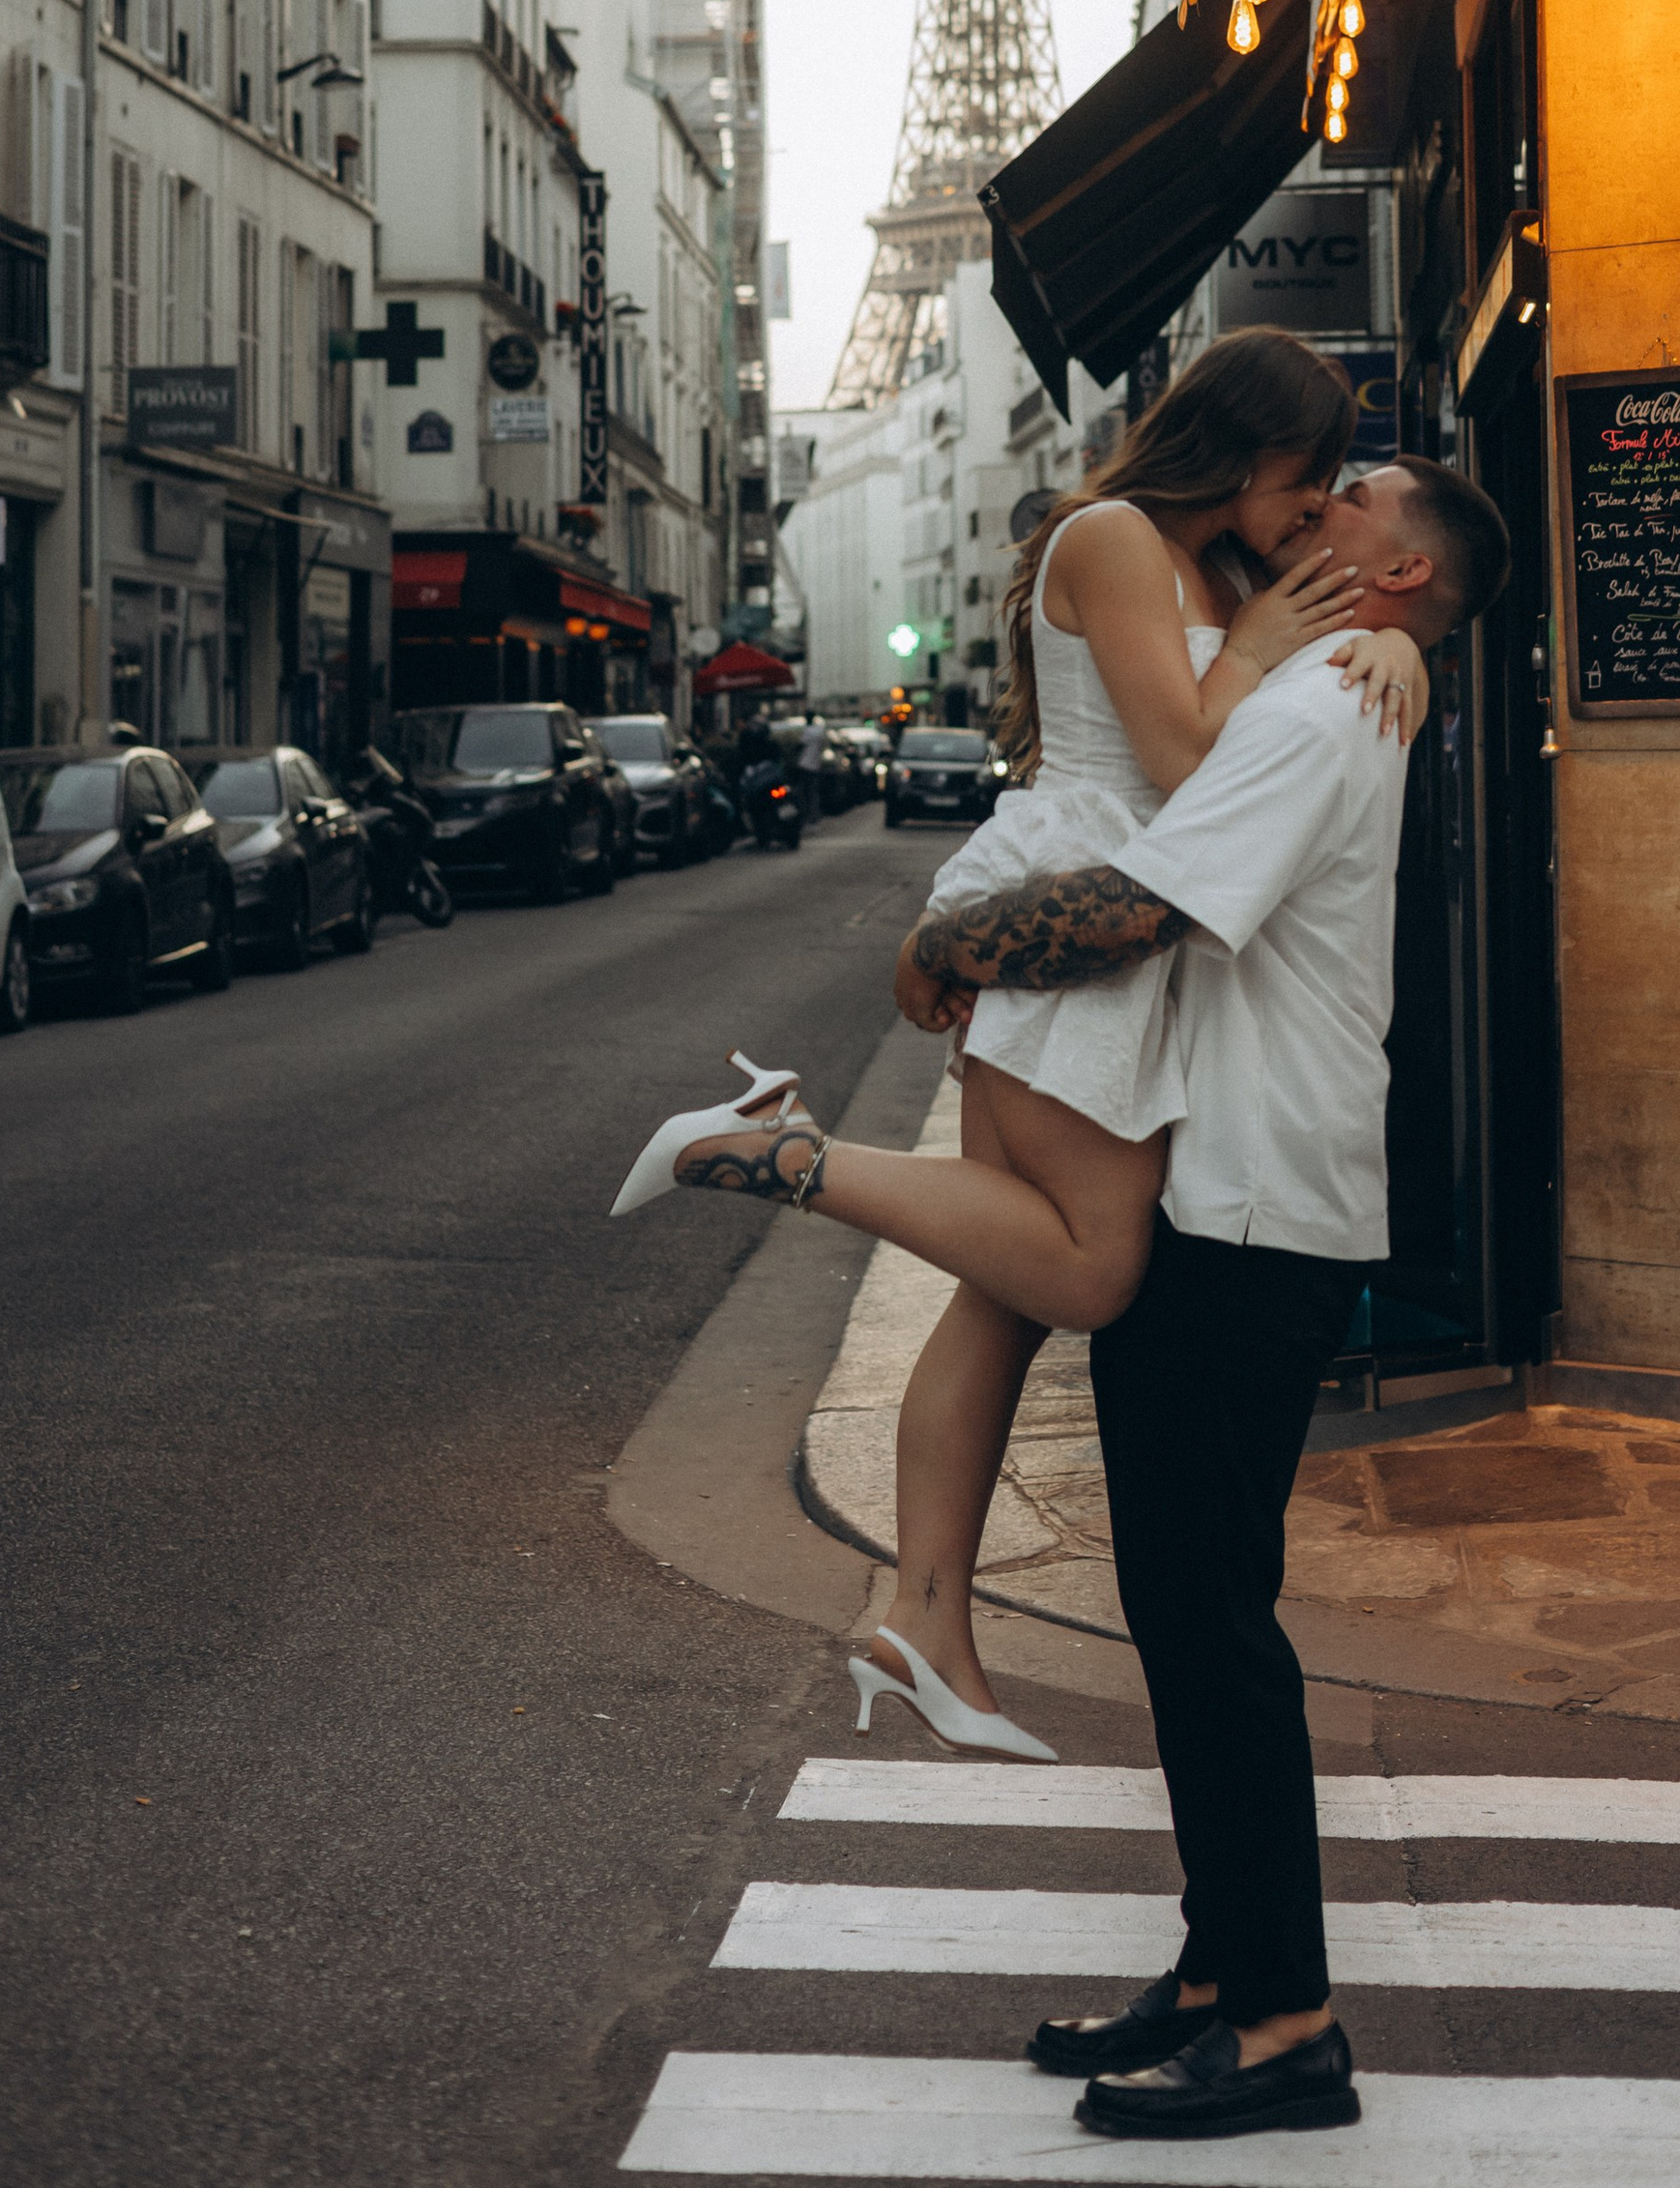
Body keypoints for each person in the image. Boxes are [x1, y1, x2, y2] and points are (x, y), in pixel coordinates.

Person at [607, 331, 1429, 1761]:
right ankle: (782, 1153)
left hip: (1130, 922)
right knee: (1094, 1267)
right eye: (1309, 474)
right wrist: (1259, 645)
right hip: (1083, 909)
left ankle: (926, 1626)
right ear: (1241, 447)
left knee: (1000, 1297)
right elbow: (1186, 760)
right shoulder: (1113, 537)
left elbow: (1325, 661)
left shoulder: (1222, 565)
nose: (1316, 505)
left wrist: (1397, 641)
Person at [890, 452, 1507, 2144]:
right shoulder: (1337, 678)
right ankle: (1224, 1966)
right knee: (1188, 1605)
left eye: (1358, 492)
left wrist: (950, 943)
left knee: (1210, 1620)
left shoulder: (1321, 709)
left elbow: (1143, 909)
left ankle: (1286, 2020)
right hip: (1235, 1191)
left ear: (1398, 572)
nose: (1325, 499)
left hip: (1248, 1206)